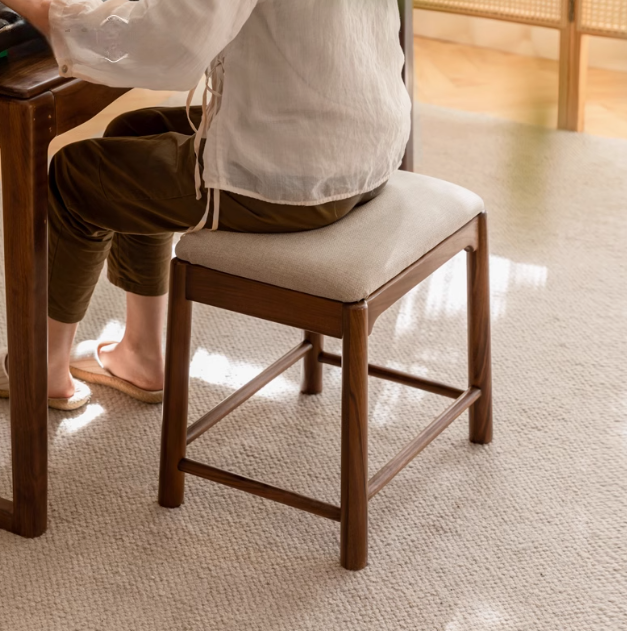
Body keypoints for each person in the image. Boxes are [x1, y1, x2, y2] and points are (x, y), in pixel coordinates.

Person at [0, 0, 411, 409]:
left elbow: (172, 44)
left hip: (296, 176)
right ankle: (141, 353)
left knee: (77, 177)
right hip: (363, 144)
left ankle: (40, 368)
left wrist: (42, 10)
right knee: (131, 134)